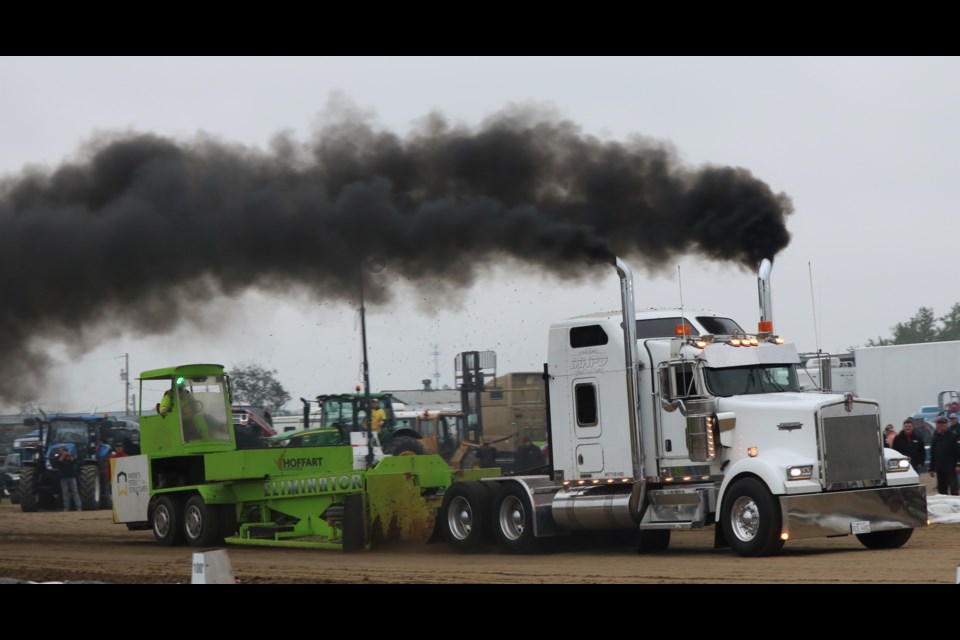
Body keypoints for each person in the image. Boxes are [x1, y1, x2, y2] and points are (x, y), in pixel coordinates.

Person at [928, 415, 960, 496]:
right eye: (939, 424)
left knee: (954, 489)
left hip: (951, 468)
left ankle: (955, 506)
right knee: (942, 490)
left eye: (943, 423)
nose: (941, 425)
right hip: (940, 468)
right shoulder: (935, 438)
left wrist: (958, 464)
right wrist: (931, 468)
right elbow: (933, 453)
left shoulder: (953, 437)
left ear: (946, 424)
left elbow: (958, 452)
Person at [55, 447, 81, 512]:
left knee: (75, 492)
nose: (60, 452)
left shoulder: (70, 456)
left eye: (61, 451)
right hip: (63, 477)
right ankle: (66, 507)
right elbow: (58, 463)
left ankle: (78, 507)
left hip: (72, 477)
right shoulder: (59, 457)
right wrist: (63, 456)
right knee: (65, 493)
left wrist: (70, 456)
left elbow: (75, 461)